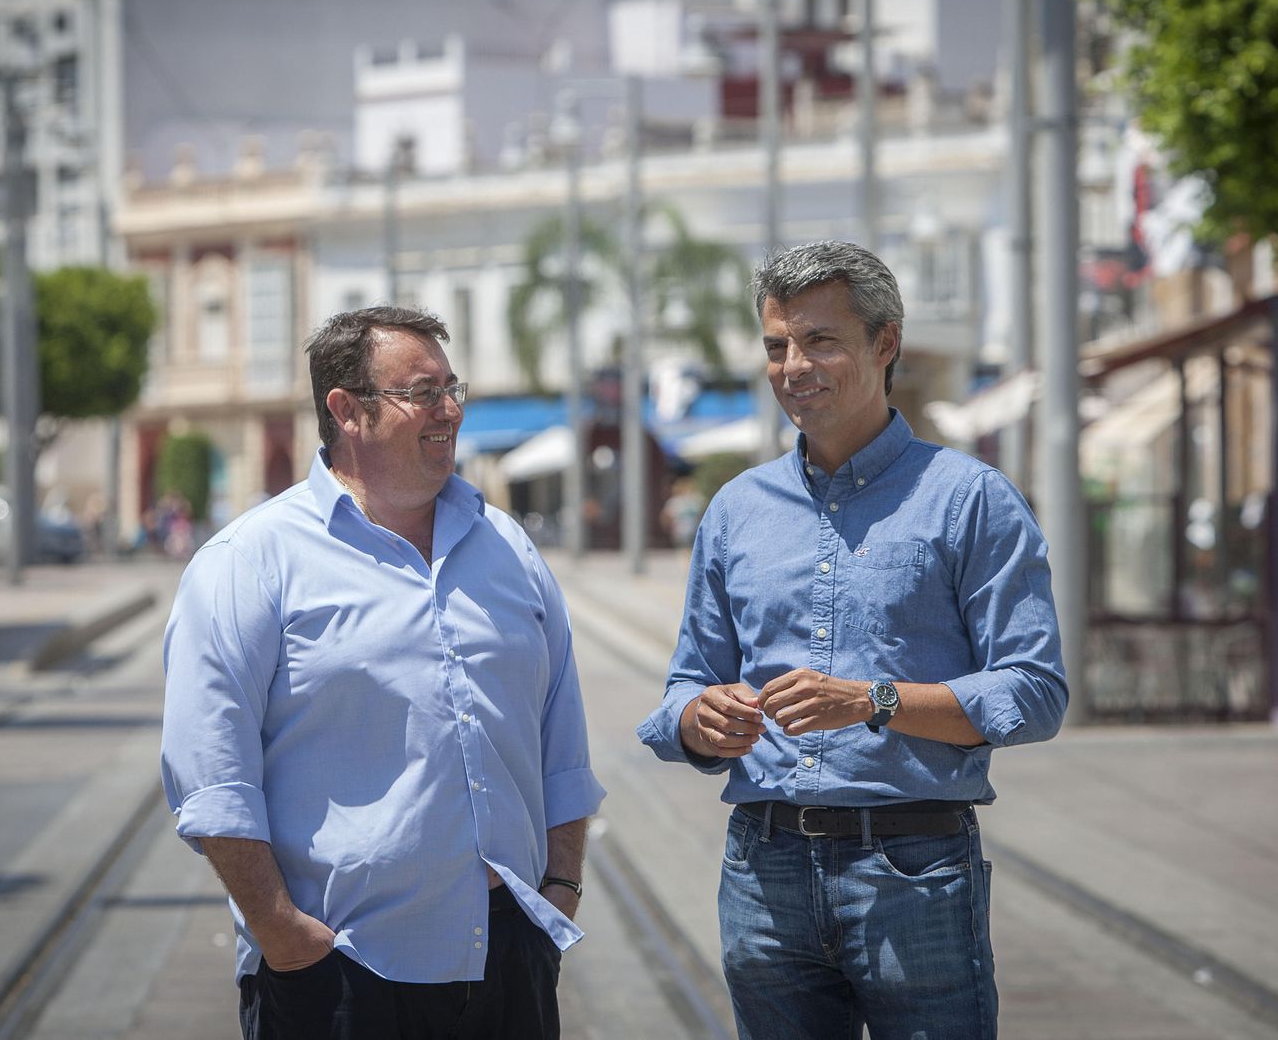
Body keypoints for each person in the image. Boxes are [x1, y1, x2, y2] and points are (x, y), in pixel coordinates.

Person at [636, 241, 1067, 1039]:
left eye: (820, 340)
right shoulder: (735, 510)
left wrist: (872, 701)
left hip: (915, 872)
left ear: (885, 343)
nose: (794, 365)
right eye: (776, 345)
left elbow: (1034, 693)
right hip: (762, 871)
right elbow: (682, 689)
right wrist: (701, 720)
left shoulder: (972, 500)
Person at [161, 306, 605, 1040]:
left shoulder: (508, 547)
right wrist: (284, 935)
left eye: (452, 387)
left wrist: (559, 886)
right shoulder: (249, 561)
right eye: (423, 392)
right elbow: (210, 778)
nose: (451, 410)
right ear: (346, 411)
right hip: (341, 971)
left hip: (507, 957)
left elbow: (563, 739)